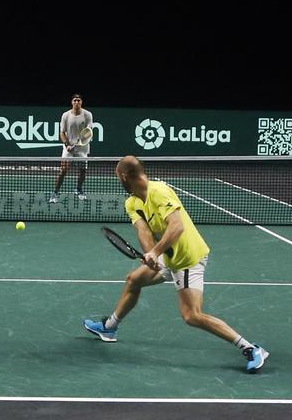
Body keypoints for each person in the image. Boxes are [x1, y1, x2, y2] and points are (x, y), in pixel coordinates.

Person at [83, 155, 269, 373]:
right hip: (168, 259)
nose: (118, 182)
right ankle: (109, 328)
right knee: (134, 280)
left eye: (118, 178)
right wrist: (152, 255)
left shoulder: (159, 191)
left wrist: (156, 252)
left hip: (187, 259)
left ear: (124, 176)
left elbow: (177, 227)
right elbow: (143, 231)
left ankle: (250, 348)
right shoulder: (132, 202)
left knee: (192, 316)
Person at [51, 93, 95, 202]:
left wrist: (79, 142)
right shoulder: (65, 115)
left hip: (82, 147)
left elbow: (88, 132)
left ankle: (79, 189)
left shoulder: (87, 114)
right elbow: (62, 133)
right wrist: (67, 145)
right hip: (69, 147)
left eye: (79, 100)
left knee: (82, 171)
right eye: (75, 100)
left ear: (81, 102)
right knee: (63, 170)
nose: (77, 102)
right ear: (72, 102)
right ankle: (55, 193)